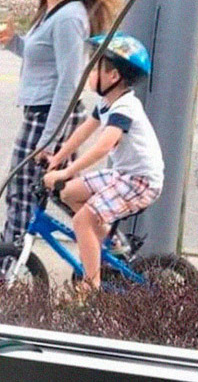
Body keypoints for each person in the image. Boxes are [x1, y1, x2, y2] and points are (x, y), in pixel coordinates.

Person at [0, 0, 115, 269]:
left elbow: (69, 82)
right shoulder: (52, 11)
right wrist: (13, 42)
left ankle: (4, 268)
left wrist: (49, 138)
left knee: (21, 191)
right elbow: (39, 58)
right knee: (62, 191)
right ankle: (112, 248)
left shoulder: (69, 18)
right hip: (47, 115)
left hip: (49, 117)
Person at [43, 33, 164, 291]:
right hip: (123, 175)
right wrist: (57, 158)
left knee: (82, 220)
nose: (89, 72)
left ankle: (90, 285)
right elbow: (83, 132)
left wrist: (67, 171)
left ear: (113, 76)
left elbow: (103, 146)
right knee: (69, 193)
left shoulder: (125, 108)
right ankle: (112, 245)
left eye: (95, 66)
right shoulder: (107, 103)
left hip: (141, 182)